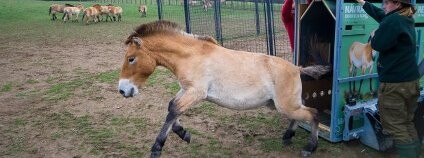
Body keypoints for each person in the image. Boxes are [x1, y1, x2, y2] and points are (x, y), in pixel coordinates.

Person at [356, 0, 422, 157]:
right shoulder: (404, 17)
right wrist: (364, 3)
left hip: (395, 85)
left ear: (397, 4)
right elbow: (383, 17)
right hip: (410, 82)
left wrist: (376, 33)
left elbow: (377, 43)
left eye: (386, 2)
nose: (383, 6)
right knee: (406, 123)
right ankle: (415, 153)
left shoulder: (394, 20)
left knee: (396, 126)